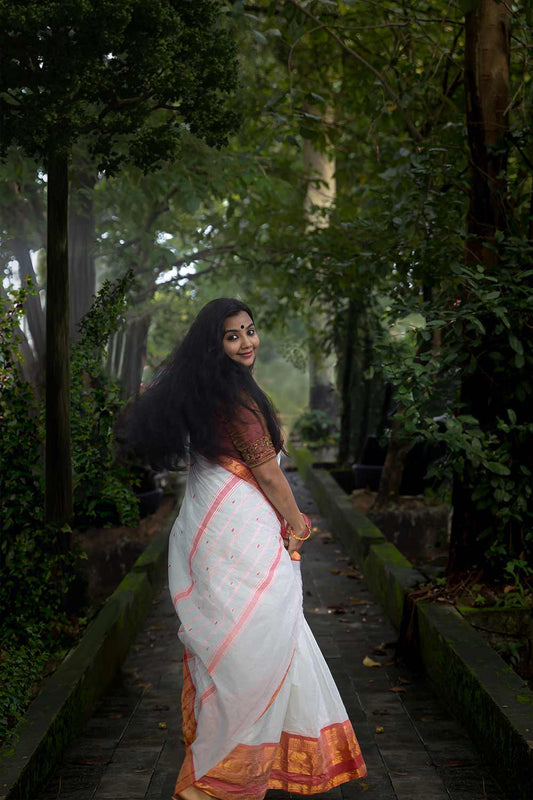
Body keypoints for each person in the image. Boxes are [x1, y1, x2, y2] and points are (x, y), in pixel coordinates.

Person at [121, 298, 366, 800]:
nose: (247, 342)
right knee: (256, 643)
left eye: (250, 331)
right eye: (233, 336)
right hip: (239, 537)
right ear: (215, 346)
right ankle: (217, 776)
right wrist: (298, 523)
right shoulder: (235, 399)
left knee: (257, 641)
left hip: (213, 533)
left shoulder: (211, 390)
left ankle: (231, 765)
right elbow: (268, 472)